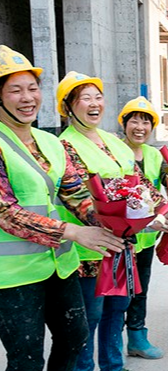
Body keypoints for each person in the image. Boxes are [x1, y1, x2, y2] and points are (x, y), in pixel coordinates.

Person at [0, 45, 124, 371]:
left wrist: (124, 222)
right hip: (13, 277)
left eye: (33, 88)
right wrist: (72, 231)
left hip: (59, 265)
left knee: (74, 338)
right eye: (15, 90)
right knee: (26, 358)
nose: (28, 98)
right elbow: (5, 212)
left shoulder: (50, 142)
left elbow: (76, 194)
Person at [56, 72, 168, 371]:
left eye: (98, 96)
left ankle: (114, 366)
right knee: (90, 316)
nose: (94, 103)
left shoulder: (115, 142)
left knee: (117, 310)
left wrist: (159, 210)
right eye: (85, 98)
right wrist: (132, 222)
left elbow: (139, 184)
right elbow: (77, 197)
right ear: (68, 106)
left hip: (123, 246)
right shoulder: (62, 146)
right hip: (88, 251)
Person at [117, 96, 164, 359]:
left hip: (146, 240)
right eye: (134, 120)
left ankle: (136, 338)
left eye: (146, 122)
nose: (140, 127)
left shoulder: (154, 155)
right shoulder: (113, 151)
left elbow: (163, 190)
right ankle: (112, 343)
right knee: (117, 296)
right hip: (121, 239)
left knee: (140, 290)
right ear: (124, 124)